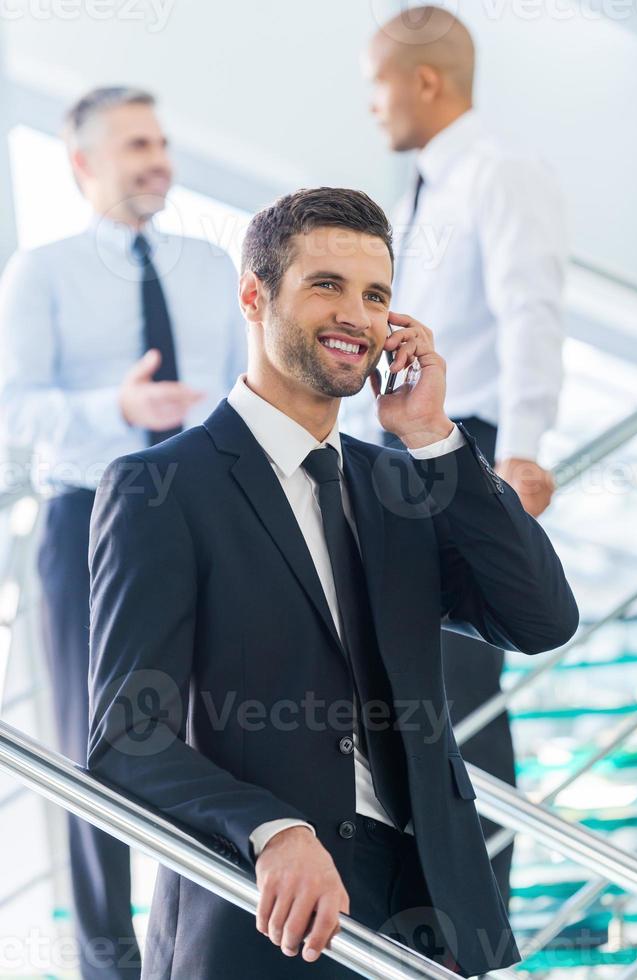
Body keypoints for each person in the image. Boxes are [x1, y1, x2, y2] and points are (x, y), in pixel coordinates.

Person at [86, 186, 578, 979]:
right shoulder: (162, 491)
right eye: (327, 286)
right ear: (254, 295)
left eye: (376, 295)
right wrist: (271, 828)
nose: (358, 314)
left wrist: (433, 437)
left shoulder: (405, 486)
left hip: (431, 924)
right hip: (264, 917)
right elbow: (123, 739)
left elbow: (542, 619)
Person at [0, 86, 246, 979]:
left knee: (218, 733)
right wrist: (119, 407)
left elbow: (235, 394)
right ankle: (110, 969)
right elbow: (13, 411)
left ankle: (208, 951)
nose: (157, 158)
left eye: (162, 140)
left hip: (203, 517)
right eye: (135, 144)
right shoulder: (41, 271)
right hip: (86, 519)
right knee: (87, 747)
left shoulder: (213, 267)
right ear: (83, 164)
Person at [345, 4, 569, 903]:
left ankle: (478, 915)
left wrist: (521, 453)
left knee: (462, 690)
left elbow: (532, 311)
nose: (372, 106)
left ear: (425, 81)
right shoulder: (420, 188)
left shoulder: (500, 172)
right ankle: (418, 905)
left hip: (461, 447)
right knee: (409, 685)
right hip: (397, 453)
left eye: (378, 85)